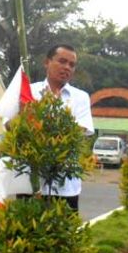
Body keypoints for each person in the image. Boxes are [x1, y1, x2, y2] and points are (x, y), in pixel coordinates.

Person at [30, 44, 94, 210]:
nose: (67, 67)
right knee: (28, 233)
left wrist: (40, 126)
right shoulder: (29, 92)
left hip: (66, 186)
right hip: (30, 182)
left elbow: (81, 131)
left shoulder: (81, 98)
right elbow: (10, 124)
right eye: (62, 61)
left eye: (72, 65)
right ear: (47, 62)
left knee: (64, 235)